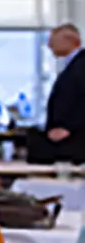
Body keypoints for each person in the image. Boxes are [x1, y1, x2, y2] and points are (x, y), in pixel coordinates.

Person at [39, 23, 85, 163]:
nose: (49, 46)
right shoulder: (71, 65)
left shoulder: (82, 64)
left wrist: (69, 127)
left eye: (53, 41)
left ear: (69, 40)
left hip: (77, 139)